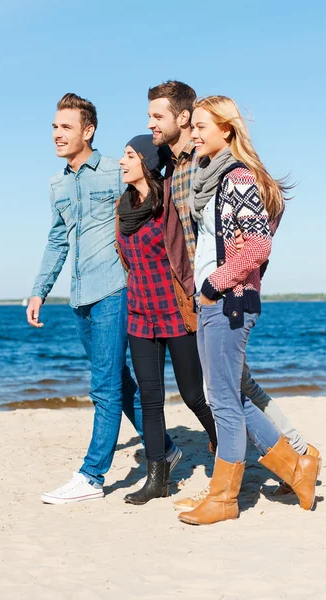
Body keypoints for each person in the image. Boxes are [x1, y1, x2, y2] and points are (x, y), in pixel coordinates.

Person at [147, 81, 320, 508]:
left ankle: (224, 496)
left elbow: (259, 245)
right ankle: (298, 466)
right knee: (232, 397)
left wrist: (212, 285)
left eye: (203, 126)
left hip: (230, 300)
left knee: (223, 400)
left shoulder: (237, 177)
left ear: (227, 130)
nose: (196, 134)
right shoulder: (211, 176)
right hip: (215, 301)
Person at [27, 94, 181, 504]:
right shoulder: (56, 184)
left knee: (104, 387)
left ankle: (92, 476)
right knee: (119, 381)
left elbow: (155, 195)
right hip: (79, 297)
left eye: (66, 127)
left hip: (115, 290)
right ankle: (166, 448)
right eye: (54, 128)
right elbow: (58, 240)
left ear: (88, 130)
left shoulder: (116, 170)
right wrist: (39, 290)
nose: (58, 135)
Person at [115, 135, 218, 506]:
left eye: (129, 156)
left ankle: (225, 448)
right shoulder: (122, 207)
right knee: (150, 399)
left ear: (146, 161)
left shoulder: (169, 205)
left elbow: (185, 253)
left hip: (176, 310)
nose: (122, 162)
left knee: (193, 394)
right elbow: (127, 261)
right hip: (140, 314)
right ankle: (157, 477)